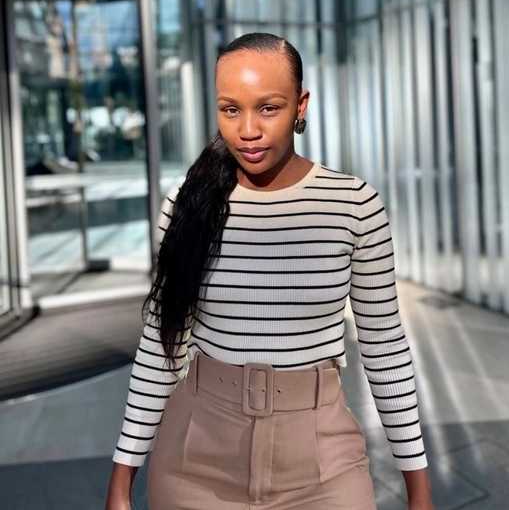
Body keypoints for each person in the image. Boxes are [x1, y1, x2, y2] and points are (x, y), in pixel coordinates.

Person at [104, 33, 435, 510]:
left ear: (301, 106)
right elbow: (162, 344)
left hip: (323, 464)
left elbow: (385, 347)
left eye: (268, 108)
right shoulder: (186, 204)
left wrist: (418, 491)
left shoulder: (354, 205)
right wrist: (120, 481)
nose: (248, 130)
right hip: (195, 459)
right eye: (231, 109)